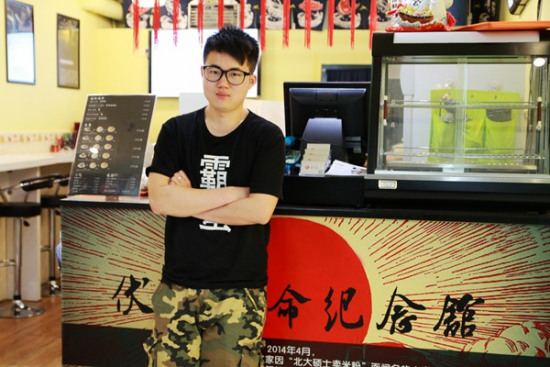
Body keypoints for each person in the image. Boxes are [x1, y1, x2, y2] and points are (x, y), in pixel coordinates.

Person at [144, 25, 285, 367]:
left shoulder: (266, 138)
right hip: (177, 286)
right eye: (214, 71)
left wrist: (189, 199)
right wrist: (233, 193)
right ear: (203, 73)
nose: (223, 82)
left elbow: (259, 211)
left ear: (250, 80)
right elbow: (160, 201)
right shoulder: (175, 130)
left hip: (239, 291)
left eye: (235, 73)